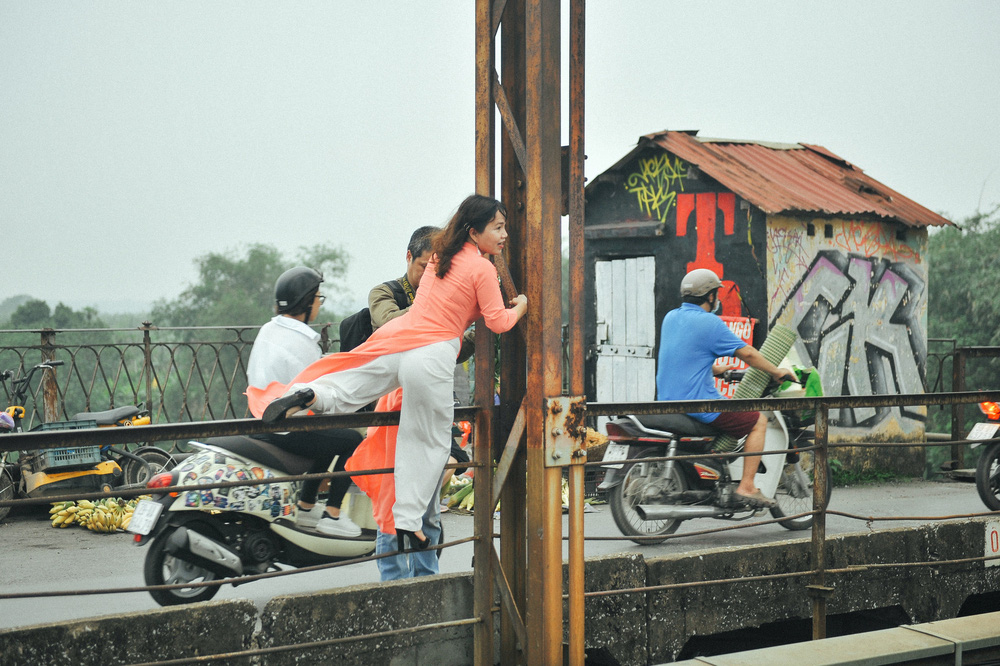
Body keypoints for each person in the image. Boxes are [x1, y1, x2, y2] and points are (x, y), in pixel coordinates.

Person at [253, 194, 528, 553]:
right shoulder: (482, 268)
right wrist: (521, 306)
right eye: (498, 227)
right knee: (428, 443)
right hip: (432, 352)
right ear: (474, 232)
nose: (504, 235)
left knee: (352, 386)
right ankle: (408, 523)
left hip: (402, 335)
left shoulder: (439, 258)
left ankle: (310, 394)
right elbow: (499, 321)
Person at [362, 225, 472, 579]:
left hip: (431, 405)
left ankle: (427, 578)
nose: (431, 274)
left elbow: (460, 347)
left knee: (429, 506)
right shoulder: (385, 293)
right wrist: (442, 314)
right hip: (393, 411)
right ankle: (393, 581)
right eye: (426, 266)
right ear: (409, 257)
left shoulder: (443, 298)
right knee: (392, 502)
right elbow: (389, 326)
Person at [655, 268, 797, 508]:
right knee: (758, 421)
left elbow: (684, 358)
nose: (717, 298)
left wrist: (714, 370)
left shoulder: (671, 317)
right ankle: (747, 487)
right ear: (710, 296)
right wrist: (776, 371)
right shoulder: (710, 322)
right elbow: (748, 354)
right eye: (716, 294)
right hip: (699, 405)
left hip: (669, 400)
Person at [246, 266, 363, 537]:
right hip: (285, 427)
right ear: (306, 301)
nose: (319, 304)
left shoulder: (268, 329)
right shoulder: (301, 340)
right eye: (318, 298)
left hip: (258, 418)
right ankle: (333, 514)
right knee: (352, 440)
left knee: (328, 433)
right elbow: (316, 392)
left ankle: (307, 506)